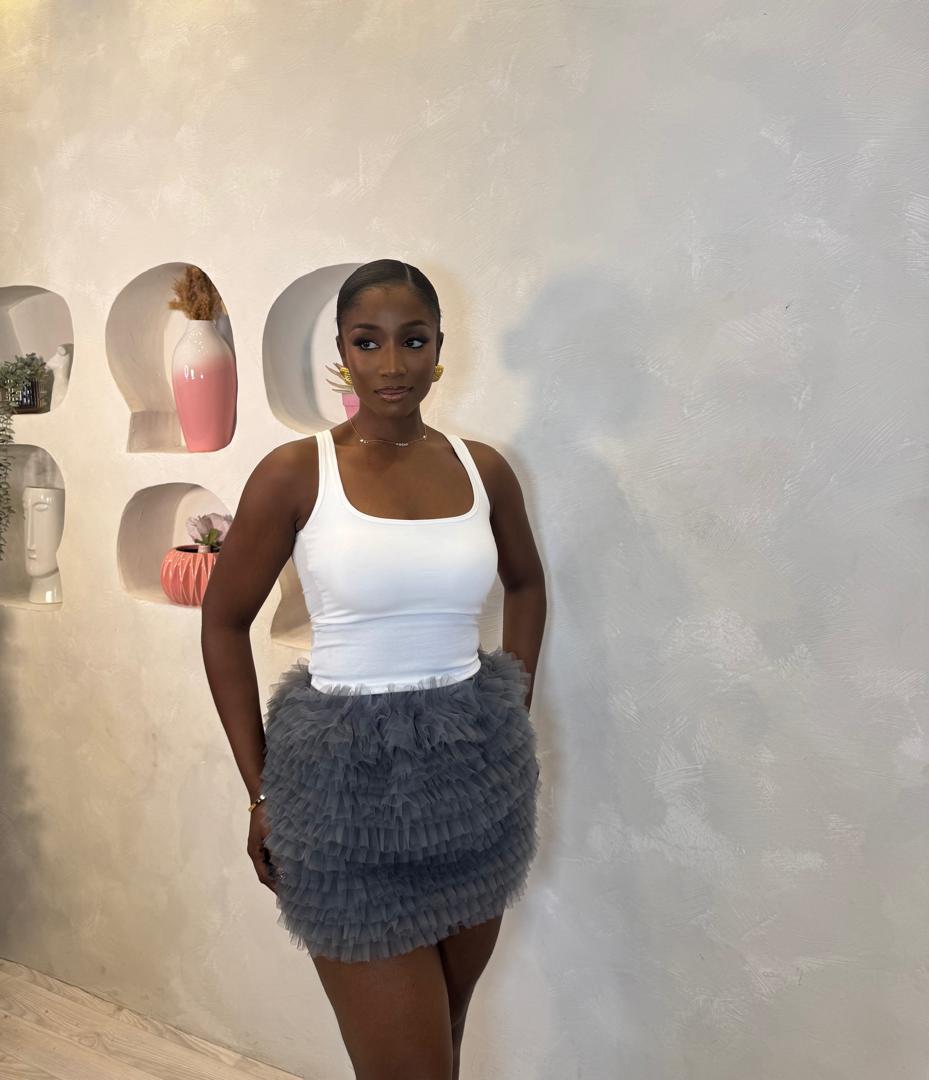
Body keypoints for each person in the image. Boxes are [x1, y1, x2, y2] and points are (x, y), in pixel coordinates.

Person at [200, 259, 546, 1080]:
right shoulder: (296, 471)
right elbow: (222, 622)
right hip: (339, 797)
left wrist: (511, 711)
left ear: (439, 349)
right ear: (342, 352)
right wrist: (259, 791)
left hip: (475, 792)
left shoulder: (482, 468)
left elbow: (527, 584)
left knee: (446, 1037)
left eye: (412, 341)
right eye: (368, 342)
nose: (392, 364)